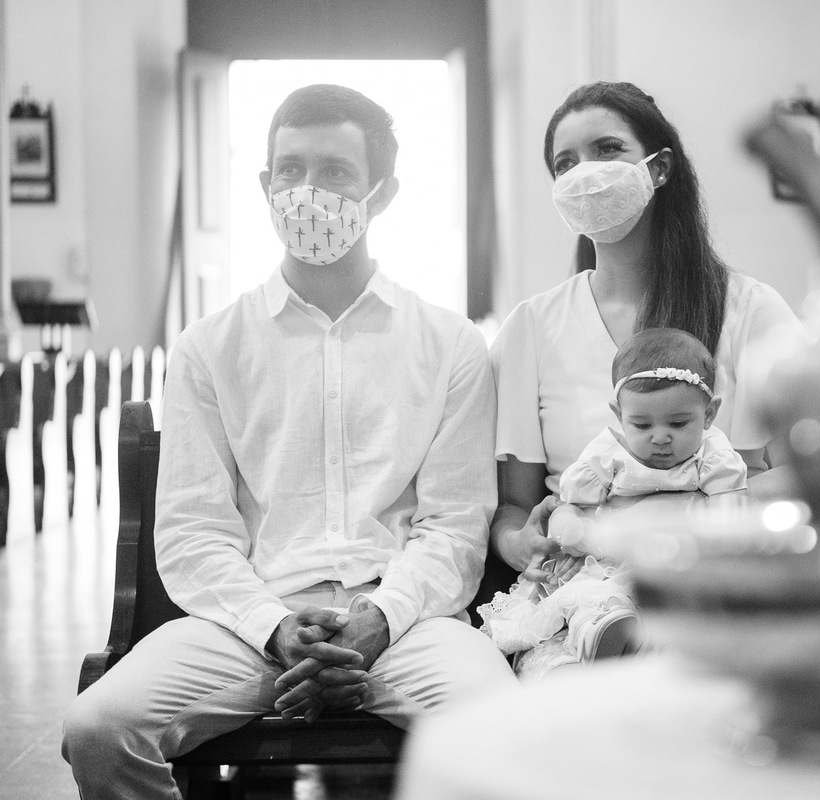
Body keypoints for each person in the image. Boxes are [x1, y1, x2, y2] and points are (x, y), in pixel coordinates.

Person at [61, 84, 516, 799]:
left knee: (508, 731)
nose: (308, 190)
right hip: (249, 620)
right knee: (100, 728)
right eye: (291, 169)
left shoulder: (450, 344)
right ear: (265, 185)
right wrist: (274, 627)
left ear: (383, 193)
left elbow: (453, 525)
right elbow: (192, 529)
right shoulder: (209, 347)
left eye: (335, 171)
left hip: (405, 621)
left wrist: (377, 619)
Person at [486, 81, 798, 672]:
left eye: (607, 149)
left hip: (717, 592)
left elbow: (815, 475)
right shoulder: (532, 326)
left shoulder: (751, 310)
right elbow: (512, 506)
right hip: (580, 605)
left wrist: (683, 512)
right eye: (565, 163)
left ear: (659, 168)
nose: (586, 173)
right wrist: (519, 542)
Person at [479, 328, 747, 676]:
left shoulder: (713, 457)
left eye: (679, 423)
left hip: (681, 561)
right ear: (619, 415)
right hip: (609, 560)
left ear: (709, 414)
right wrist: (570, 532)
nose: (660, 437)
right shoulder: (606, 457)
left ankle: (650, 645)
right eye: (642, 424)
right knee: (592, 597)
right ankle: (600, 634)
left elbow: (731, 514)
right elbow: (569, 508)